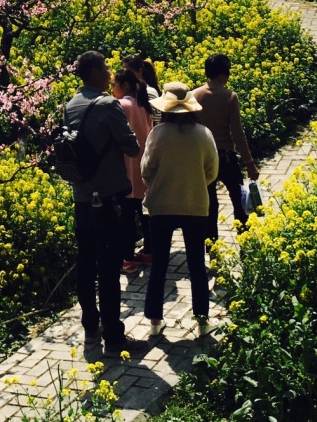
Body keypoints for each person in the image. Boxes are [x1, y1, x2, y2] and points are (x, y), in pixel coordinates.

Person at [63, 50, 143, 352]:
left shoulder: (70, 105)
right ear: (95, 72)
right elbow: (132, 148)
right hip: (109, 199)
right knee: (109, 269)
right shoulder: (108, 105)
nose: (110, 72)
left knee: (86, 266)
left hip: (81, 199)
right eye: (106, 68)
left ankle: (90, 330)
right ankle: (114, 336)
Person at [141, 82, 219, 338]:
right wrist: (194, 185)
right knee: (197, 265)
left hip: (161, 206)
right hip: (196, 204)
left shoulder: (157, 134)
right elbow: (212, 171)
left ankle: (154, 321)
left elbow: (146, 170)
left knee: (160, 265)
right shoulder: (204, 134)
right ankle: (202, 320)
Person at [193, 53, 261, 237]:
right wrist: (249, 163)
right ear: (224, 73)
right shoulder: (230, 97)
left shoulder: (194, 95)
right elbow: (237, 133)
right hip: (226, 157)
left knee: (210, 205)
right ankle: (243, 237)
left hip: (204, 157)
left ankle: (212, 246)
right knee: (238, 199)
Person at [112, 68, 153, 273]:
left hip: (127, 168)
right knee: (144, 213)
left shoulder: (121, 105)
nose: (112, 89)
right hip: (143, 167)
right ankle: (149, 252)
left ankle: (128, 259)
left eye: (114, 85)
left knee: (126, 217)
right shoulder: (144, 105)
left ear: (125, 86)